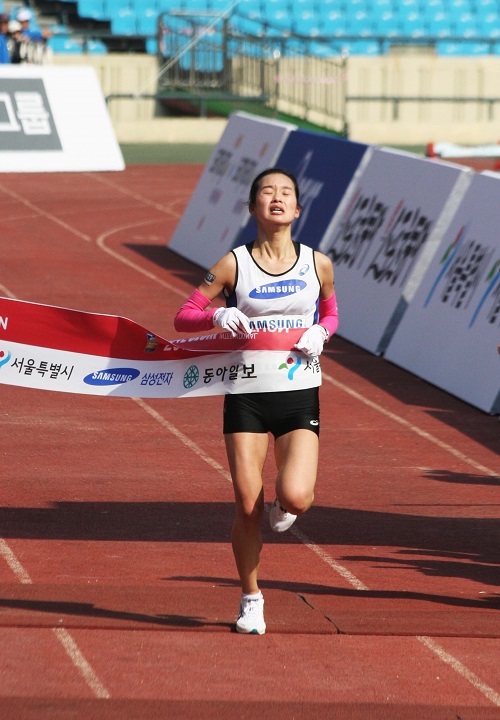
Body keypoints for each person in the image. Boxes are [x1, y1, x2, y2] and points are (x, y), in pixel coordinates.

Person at [174, 168, 338, 635]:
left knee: (296, 496)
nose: (277, 198)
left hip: (298, 393)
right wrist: (219, 312)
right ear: (253, 208)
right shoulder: (233, 264)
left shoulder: (317, 263)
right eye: (267, 192)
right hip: (244, 395)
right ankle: (251, 599)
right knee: (247, 504)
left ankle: (284, 509)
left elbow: (331, 310)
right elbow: (185, 315)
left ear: (298, 209)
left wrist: (321, 331)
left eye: (286, 193)